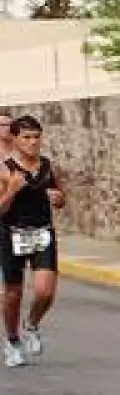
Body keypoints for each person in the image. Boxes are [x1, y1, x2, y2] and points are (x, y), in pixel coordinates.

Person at [1, 115, 66, 369]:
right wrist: (12, 190)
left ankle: (32, 324)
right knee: (12, 294)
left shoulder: (48, 167)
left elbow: (62, 199)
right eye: (26, 137)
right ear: (15, 139)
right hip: (12, 235)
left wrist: (58, 198)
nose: (32, 142)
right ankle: (12, 341)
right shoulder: (5, 169)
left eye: (36, 137)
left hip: (42, 233)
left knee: (45, 291)